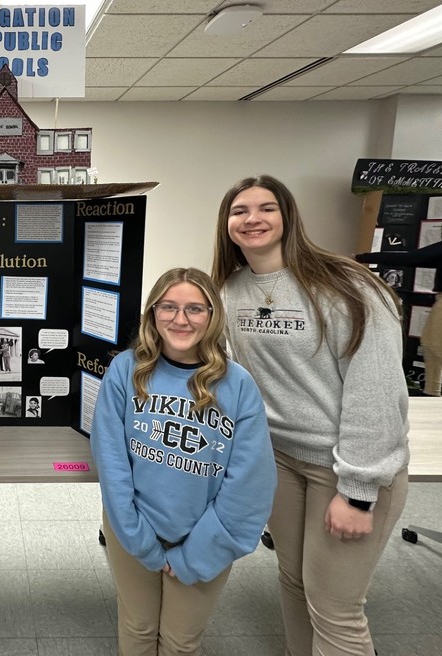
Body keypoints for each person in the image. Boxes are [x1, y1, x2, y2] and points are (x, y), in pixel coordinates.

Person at [212, 175, 410, 656]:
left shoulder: (348, 285)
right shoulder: (231, 290)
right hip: (277, 460)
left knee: (336, 608)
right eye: (240, 211)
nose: (252, 219)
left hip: (342, 467)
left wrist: (358, 493)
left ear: (289, 216)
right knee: (295, 583)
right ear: (227, 224)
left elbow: (376, 393)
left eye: (266, 208)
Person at [90, 266, 275, 655]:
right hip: (133, 529)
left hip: (204, 534)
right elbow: (112, 462)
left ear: (212, 316)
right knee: (137, 628)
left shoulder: (237, 384)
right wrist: (140, 540)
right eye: (168, 307)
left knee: (181, 641)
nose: (180, 319)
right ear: (153, 313)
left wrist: (199, 553)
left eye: (195, 309)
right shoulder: (126, 371)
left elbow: (249, 485)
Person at [356, 200, 442, 396]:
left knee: (441, 348)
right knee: (429, 343)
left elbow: (412, 257)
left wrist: (364, 258)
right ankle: (432, 391)